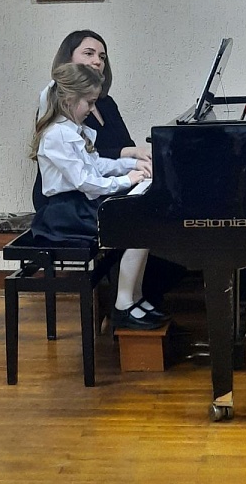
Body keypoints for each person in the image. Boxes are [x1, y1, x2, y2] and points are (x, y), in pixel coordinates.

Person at [34, 29, 187, 308]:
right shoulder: (58, 133)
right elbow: (86, 180)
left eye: (102, 56)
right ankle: (125, 302)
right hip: (67, 211)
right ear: (69, 99)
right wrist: (127, 180)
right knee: (135, 223)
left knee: (143, 221)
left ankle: (135, 297)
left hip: (83, 202)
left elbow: (99, 163)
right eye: (89, 53)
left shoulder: (76, 127)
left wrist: (132, 166)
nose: (97, 61)